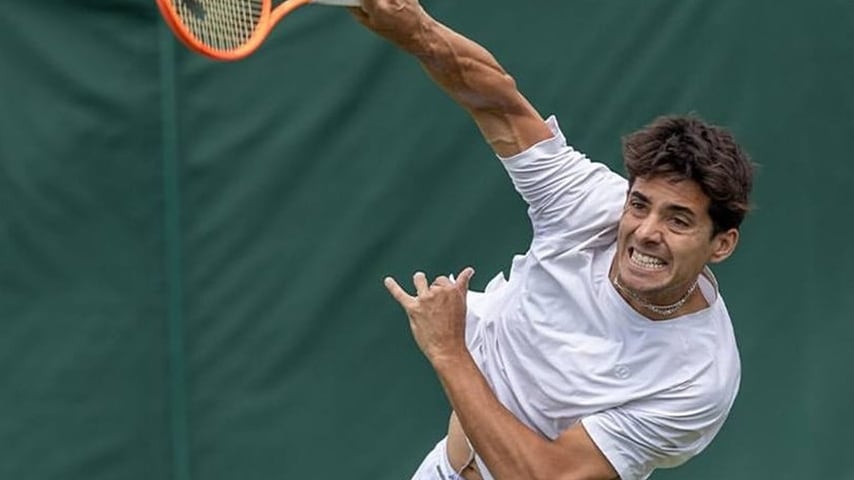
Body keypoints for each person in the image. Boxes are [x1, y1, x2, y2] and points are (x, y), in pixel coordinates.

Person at [351, 1, 754, 479]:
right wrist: (416, 29)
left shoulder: (698, 378)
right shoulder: (589, 206)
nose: (647, 232)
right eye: (640, 204)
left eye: (679, 220)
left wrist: (449, 351)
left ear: (721, 244)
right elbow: (501, 104)